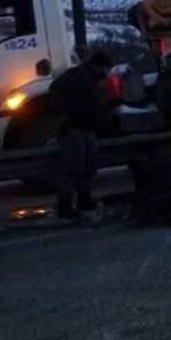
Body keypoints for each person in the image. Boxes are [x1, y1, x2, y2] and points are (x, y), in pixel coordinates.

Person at [49, 49, 113, 219]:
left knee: (88, 166)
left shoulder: (92, 79)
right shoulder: (78, 75)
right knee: (74, 167)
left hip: (86, 127)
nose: (106, 72)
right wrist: (64, 116)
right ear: (98, 65)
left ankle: (84, 200)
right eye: (105, 68)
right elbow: (55, 88)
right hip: (74, 128)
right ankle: (65, 204)